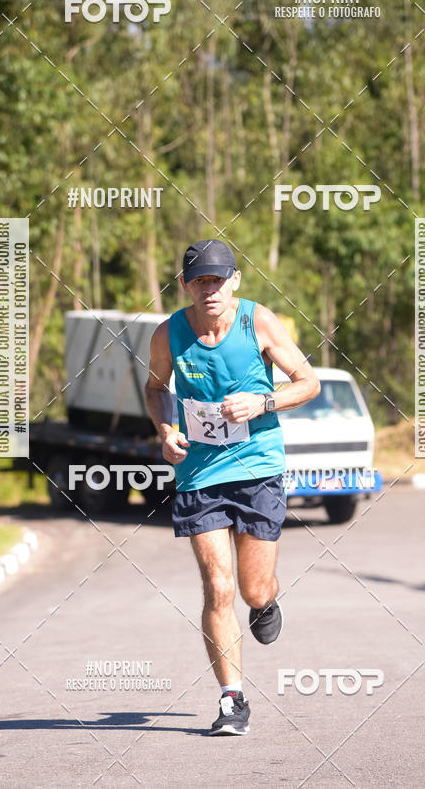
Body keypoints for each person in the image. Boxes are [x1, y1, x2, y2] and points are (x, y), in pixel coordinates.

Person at [144, 239, 320, 735]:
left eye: (218, 279)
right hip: (199, 475)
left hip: (258, 468)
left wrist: (262, 404)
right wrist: (166, 431)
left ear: (234, 280)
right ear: (186, 285)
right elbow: (156, 389)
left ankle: (265, 603)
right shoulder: (168, 334)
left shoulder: (258, 322)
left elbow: (308, 383)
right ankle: (231, 699)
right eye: (200, 280)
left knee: (251, 587)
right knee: (218, 587)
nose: (210, 289)